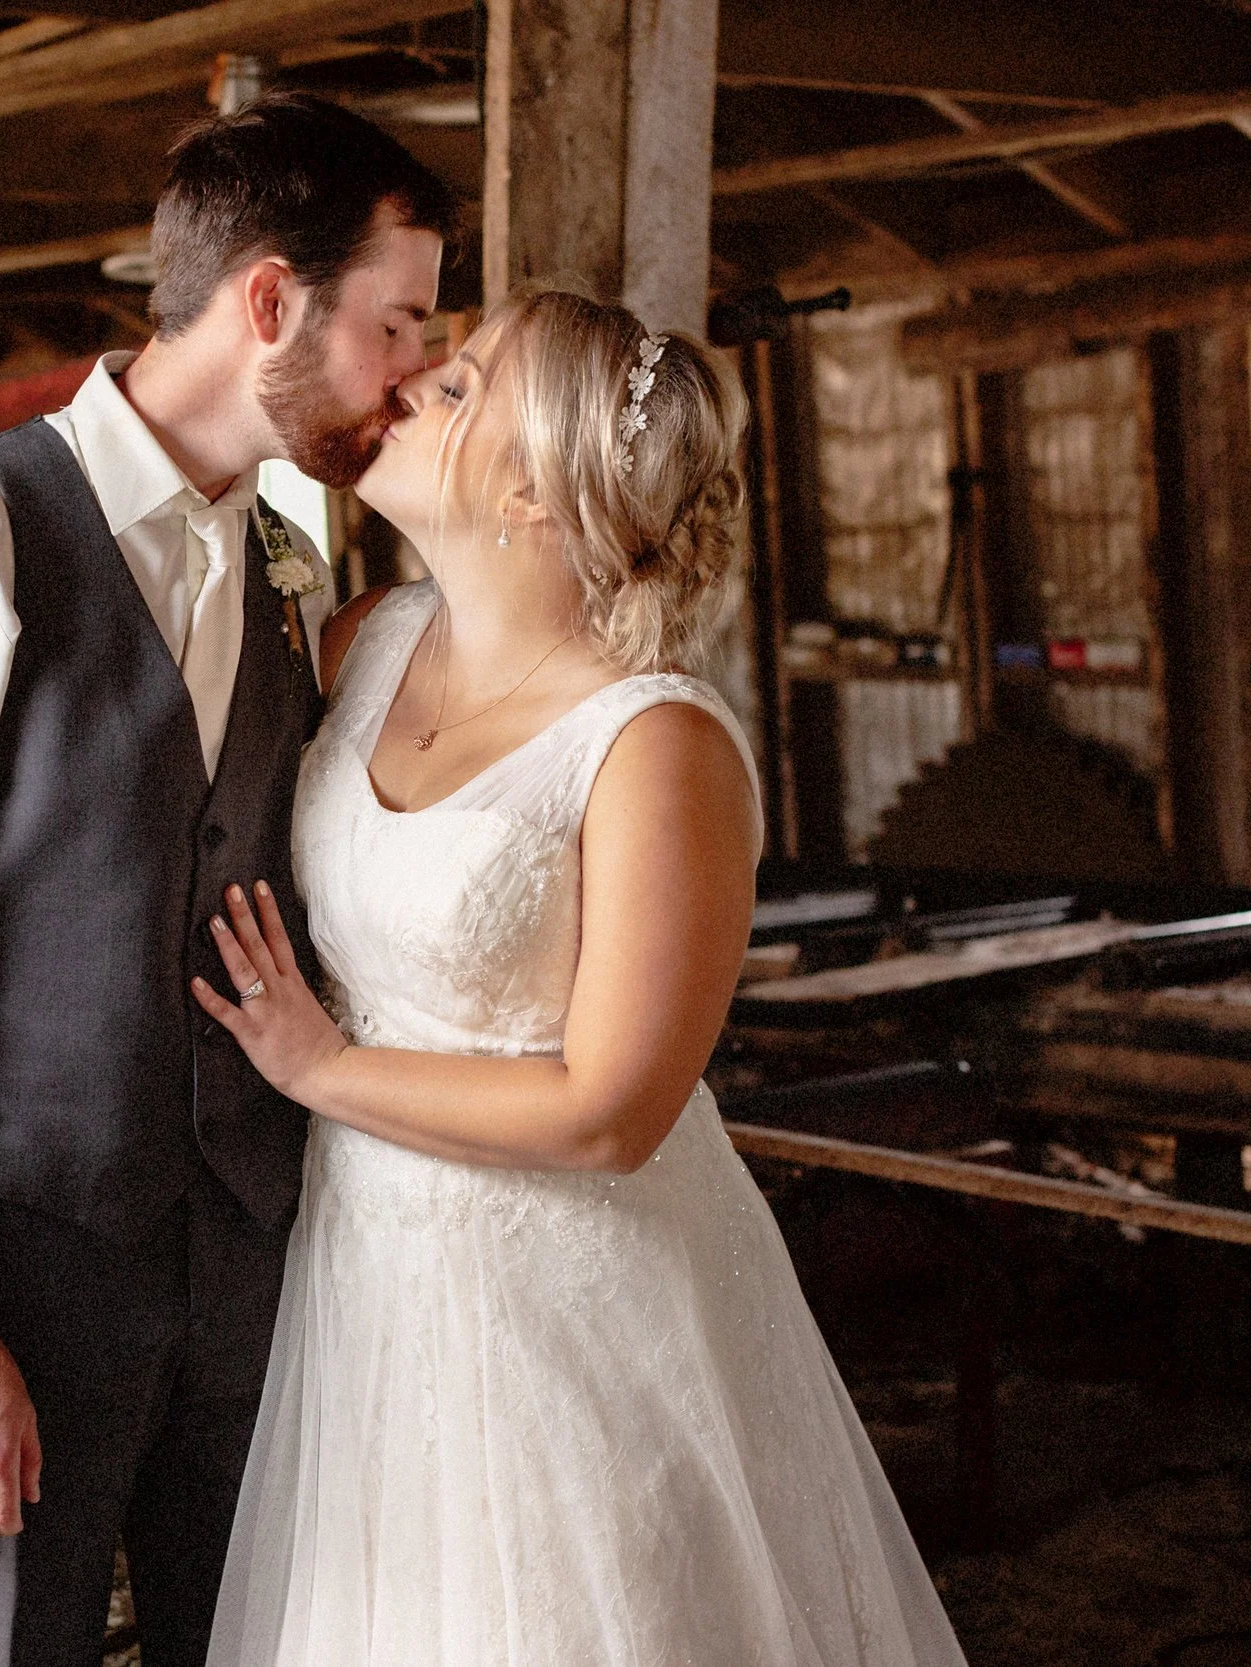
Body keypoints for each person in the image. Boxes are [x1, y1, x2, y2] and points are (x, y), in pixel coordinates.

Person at [191, 287, 969, 1666]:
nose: (418, 384)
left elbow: (614, 1113)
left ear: (542, 499)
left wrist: (321, 1067)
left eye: (465, 387)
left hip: (570, 1314)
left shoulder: (658, 743)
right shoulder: (361, 639)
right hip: (366, 1280)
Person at [0, 95, 455, 1667]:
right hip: (24, 1282)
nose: (412, 373)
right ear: (271, 302)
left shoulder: (293, 566)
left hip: (252, 1281)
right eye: (399, 323)